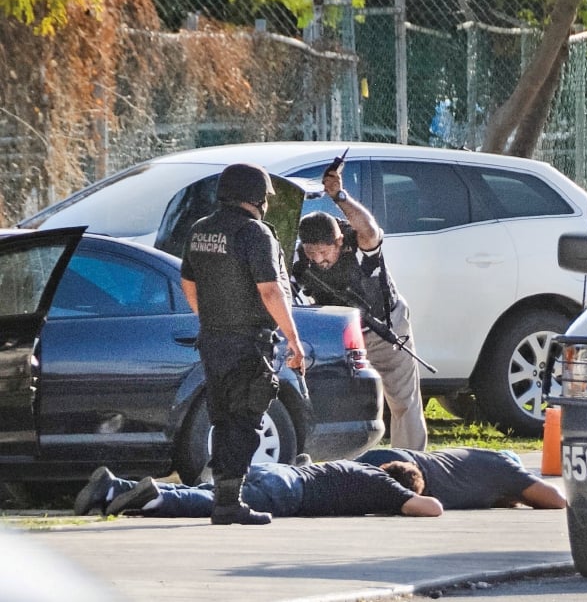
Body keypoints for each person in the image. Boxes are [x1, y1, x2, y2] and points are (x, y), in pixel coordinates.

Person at [180, 162, 306, 526]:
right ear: (254, 197)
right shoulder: (255, 233)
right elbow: (270, 289)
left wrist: (211, 318)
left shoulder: (200, 230)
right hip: (248, 343)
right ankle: (228, 502)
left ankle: (223, 500)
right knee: (246, 420)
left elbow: (188, 282)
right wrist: (294, 341)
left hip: (213, 340)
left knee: (221, 418)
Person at [292, 160, 427, 450]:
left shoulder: (357, 243)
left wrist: (340, 197)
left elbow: (371, 231)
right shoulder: (302, 262)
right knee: (345, 403)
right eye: (310, 252)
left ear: (338, 242)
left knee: (404, 402)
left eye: (324, 251)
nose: (318, 259)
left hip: (385, 325)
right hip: (344, 337)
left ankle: (412, 463)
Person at [74, 460, 443, 519]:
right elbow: (432, 508)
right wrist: (401, 498)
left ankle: (111, 487)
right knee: (213, 502)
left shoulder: (359, 467)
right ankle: (158, 496)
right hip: (289, 492)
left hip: (274, 469)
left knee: (205, 487)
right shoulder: (384, 486)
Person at [353, 447, 567, 510]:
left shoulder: (475, 459)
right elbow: (556, 499)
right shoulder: (504, 467)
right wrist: (524, 498)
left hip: (393, 458)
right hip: (408, 474)